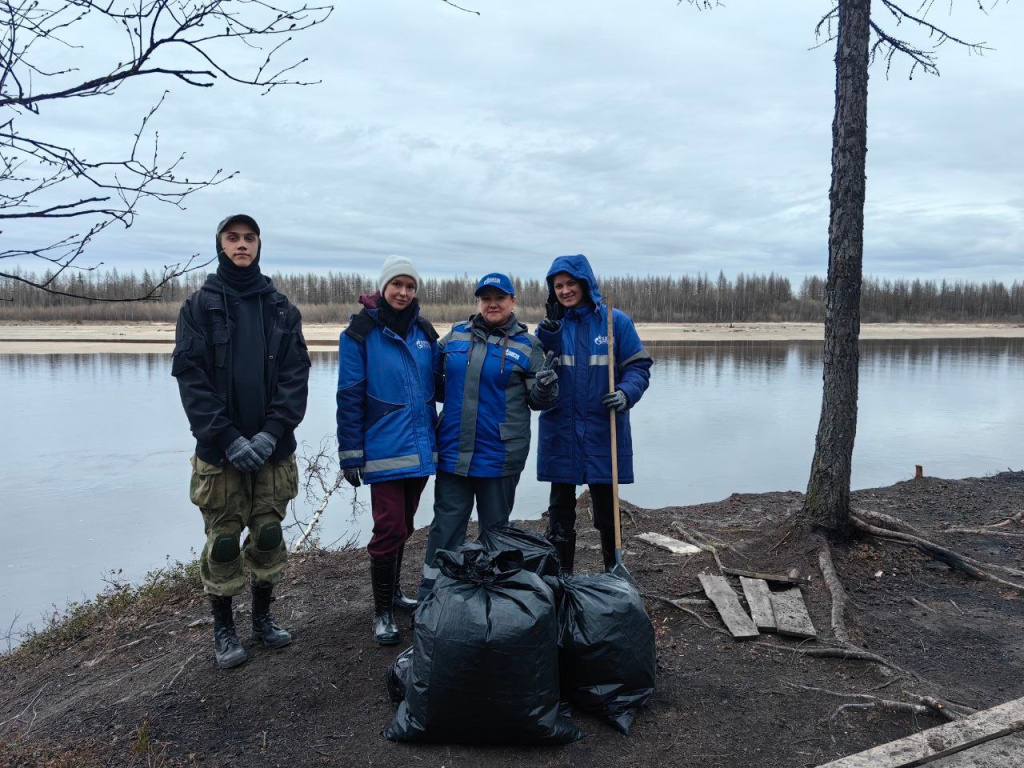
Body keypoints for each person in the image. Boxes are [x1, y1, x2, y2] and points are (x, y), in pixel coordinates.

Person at [172, 214, 310, 669]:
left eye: (249, 238)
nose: (242, 244)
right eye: (233, 238)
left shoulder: (282, 309)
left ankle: (263, 620)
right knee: (224, 541)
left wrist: (272, 433)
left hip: (273, 451)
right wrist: (228, 438)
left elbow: (295, 376)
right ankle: (224, 629)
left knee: (269, 534)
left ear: (259, 246)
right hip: (221, 453)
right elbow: (192, 382)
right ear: (220, 245)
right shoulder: (198, 307)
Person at [417, 273, 560, 599]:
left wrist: (545, 387)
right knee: (445, 529)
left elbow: (539, 401)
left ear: (513, 302)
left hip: (500, 455)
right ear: (479, 302)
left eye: (500, 298)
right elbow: (433, 382)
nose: (492, 304)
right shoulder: (454, 336)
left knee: (496, 534)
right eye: (486, 298)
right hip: (454, 452)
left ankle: (493, 606)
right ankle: (433, 600)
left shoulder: (529, 344)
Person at [336, 256, 440, 645]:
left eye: (410, 286)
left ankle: (395, 596)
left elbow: (439, 385)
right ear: (383, 288)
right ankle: (381, 612)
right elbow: (348, 395)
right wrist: (350, 452)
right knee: (389, 526)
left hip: (420, 448)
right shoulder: (360, 332)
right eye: (396, 285)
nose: (403, 292)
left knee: (406, 525)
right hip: (382, 447)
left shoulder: (425, 331)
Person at [535, 254, 652, 574]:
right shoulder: (549, 329)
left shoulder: (617, 323)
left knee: (606, 509)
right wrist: (542, 380)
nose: (565, 290)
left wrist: (627, 393)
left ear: (585, 284)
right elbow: (535, 377)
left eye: (571, 283)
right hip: (563, 429)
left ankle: (614, 570)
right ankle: (562, 577)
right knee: (560, 508)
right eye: (558, 286)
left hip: (604, 429)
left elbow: (639, 368)